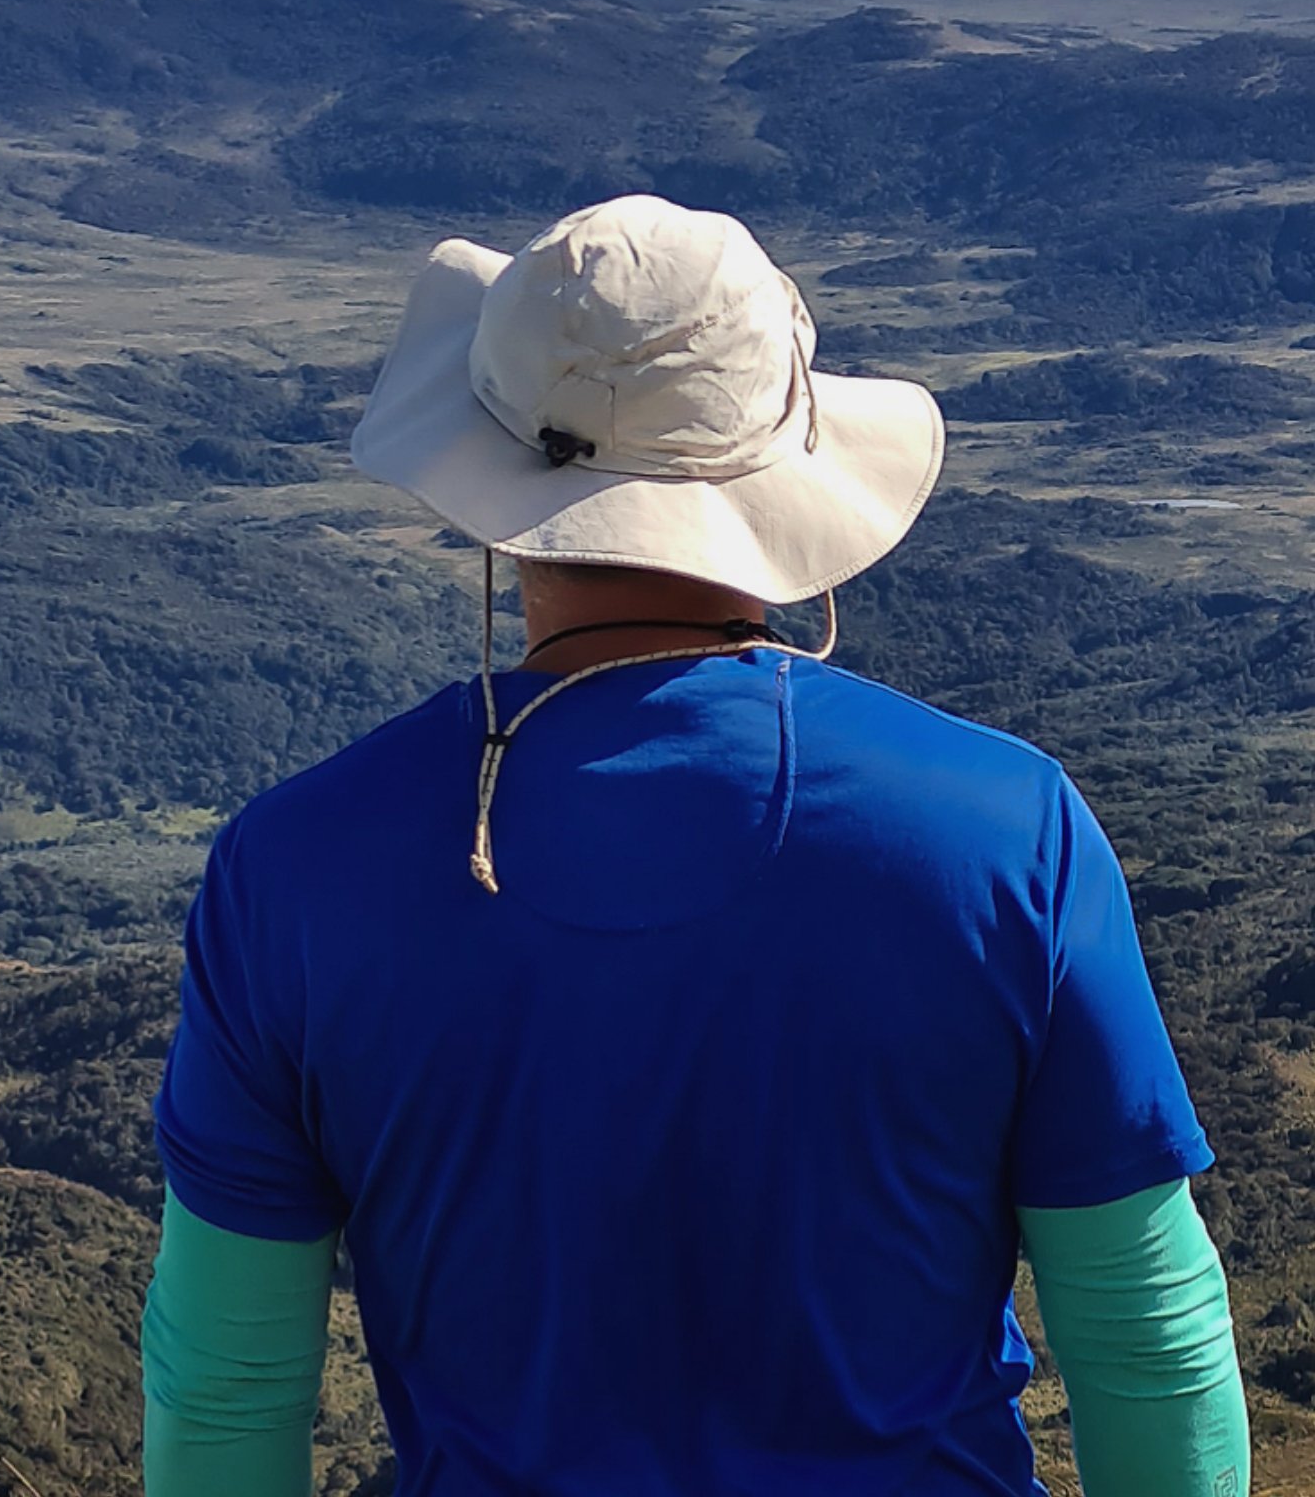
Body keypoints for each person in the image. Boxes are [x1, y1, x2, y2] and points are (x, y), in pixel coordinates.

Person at [144, 195, 1249, 1495]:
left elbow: (227, 1385)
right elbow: (1146, 1343)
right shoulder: (1010, 832)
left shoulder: (290, 870)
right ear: (779, 477)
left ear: (490, 482)